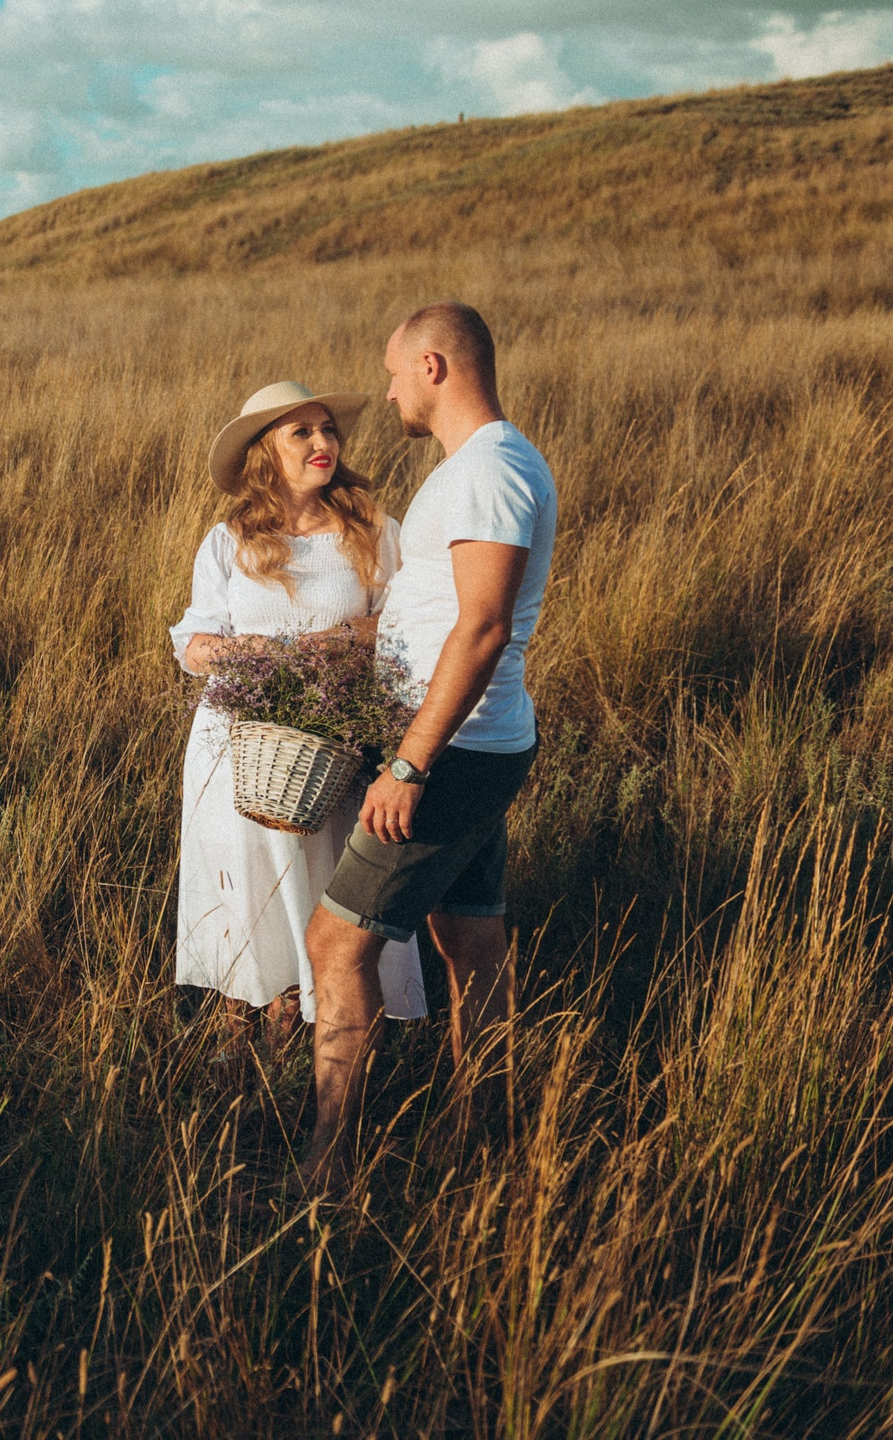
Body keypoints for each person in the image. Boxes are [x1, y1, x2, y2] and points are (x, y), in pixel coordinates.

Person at [301, 303, 556, 1185]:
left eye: (395, 370)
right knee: (471, 944)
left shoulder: (488, 472)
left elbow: (482, 629)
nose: (389, 389)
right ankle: (481, 1134)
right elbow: (444, 609)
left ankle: (328, 1162)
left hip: (453, 755)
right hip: (479, 746)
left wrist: (409, 762)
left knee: (336, 942)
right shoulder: (474, 470)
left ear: (435, 366)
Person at [168, 380, 428, 1060]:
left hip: (333, 741)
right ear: (265, 453)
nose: (323, 444)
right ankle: (238, 1025)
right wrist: (265, 653)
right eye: (302, 433)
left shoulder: (371, 531)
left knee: (319, 877)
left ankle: (309, 1023)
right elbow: (194, 643)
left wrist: (336, 644)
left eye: (328, 430)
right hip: (238, 745)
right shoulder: (230, 541)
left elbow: (403, 625)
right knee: (243, 878)